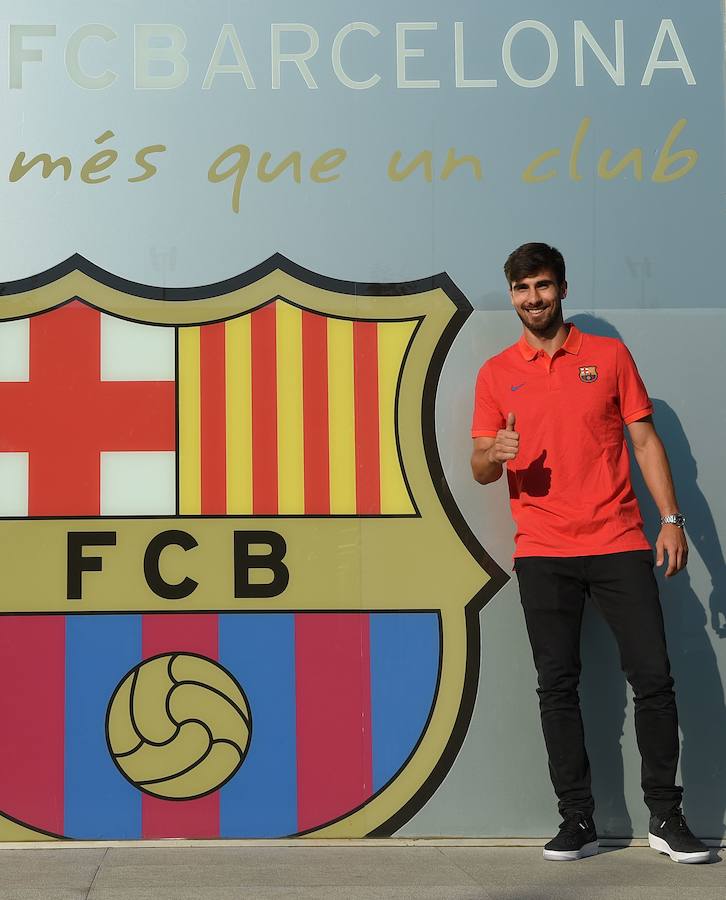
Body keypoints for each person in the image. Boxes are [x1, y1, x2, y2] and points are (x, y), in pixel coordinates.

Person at [470, 242, 710, 864]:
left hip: (620, 541)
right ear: (513, 295)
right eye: (522, 290)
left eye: (543, 287)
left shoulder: (607, 357)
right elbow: (479, 466)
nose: (532, 300)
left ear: (562, 289)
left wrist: (673, 520)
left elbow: (645, 438)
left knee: (654, 679)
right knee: (558, 686)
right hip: (542, 551)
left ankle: (666, 815)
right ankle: (577, 819)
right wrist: (492, 455)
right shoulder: (498, 372)